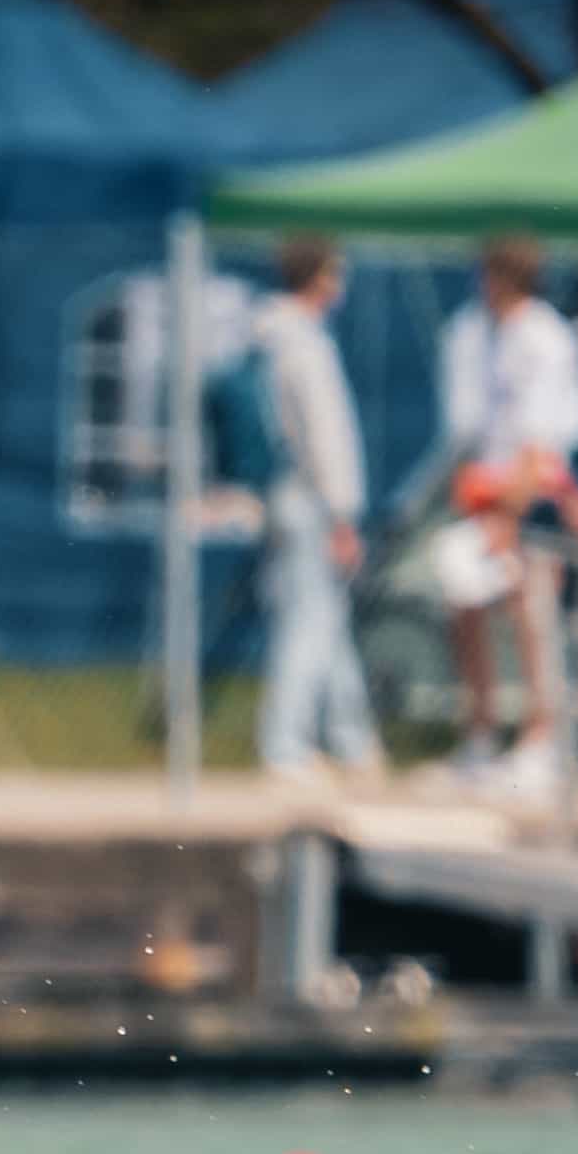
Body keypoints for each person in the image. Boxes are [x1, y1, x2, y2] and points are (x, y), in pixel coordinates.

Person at [431, 234, 578, 793]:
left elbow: (538, 438)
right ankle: (481, 735)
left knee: (533, 619)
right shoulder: (482, 333)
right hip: (490, 492)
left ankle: (540, 741)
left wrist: (508, 514)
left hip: (531, 495)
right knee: (467, 608)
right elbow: (477, 428)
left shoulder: (543, 338)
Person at [249, 236, 378, 786]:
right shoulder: (306, 346)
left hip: (289, 495)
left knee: (327, 622)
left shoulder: (270, 340)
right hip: (313, 502)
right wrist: (343, 516)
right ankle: (285, 745)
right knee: (310, 624)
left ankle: (353, 741)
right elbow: (326, 438)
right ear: (320, 278)